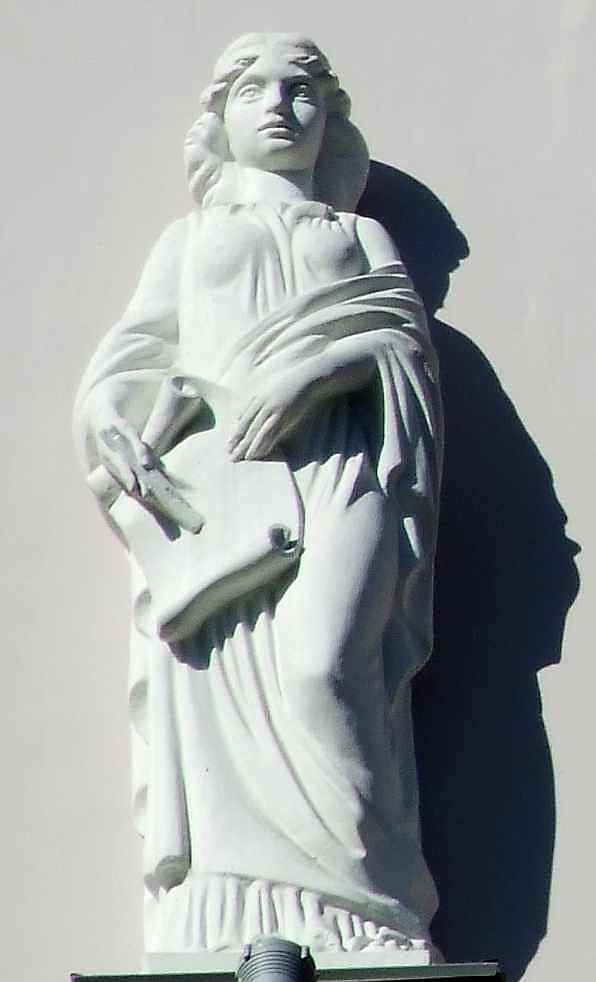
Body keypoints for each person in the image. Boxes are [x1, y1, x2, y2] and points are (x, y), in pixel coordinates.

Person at [73, 32, 443, 956]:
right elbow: (130, 358)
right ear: (221, 118)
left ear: (331, 120)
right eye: (255, 90)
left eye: (303, 90)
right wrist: (109, 420)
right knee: (219, 688)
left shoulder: (357, 235)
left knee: (324, 667)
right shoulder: (190, 239)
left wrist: (313, 374)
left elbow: (404, 352)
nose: (281, 106)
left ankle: (372, 905)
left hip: (342, 469)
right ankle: (230, 901)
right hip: (226, 488)